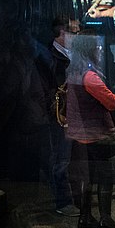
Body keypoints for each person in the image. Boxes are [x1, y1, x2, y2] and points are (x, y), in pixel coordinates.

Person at [66, 31, 115, 228]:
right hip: (96, 135)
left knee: (86, 177)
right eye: (95, 47)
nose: (99, 50)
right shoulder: (90, 76)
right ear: (88, 49)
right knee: (104, 177)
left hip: (78, 135)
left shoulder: (72, 72)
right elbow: (112, 102)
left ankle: (85, 216)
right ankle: (105, 218)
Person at [48, 15, 80, 216]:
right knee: (61, 159)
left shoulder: (68, 54)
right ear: (62, 32)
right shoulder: (51, 57)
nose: (77, 37)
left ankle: (72, 199)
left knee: (70, 159)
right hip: (60, 115)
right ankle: (62, 201)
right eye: (74, 32)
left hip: (73, 113)